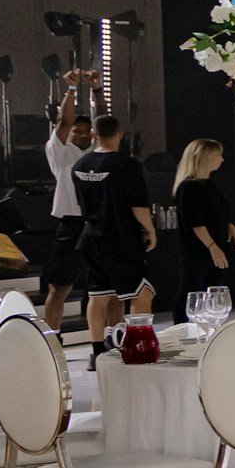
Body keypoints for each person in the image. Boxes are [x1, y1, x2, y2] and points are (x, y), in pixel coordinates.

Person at [72, 116, 154, 357]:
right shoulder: (125, 164)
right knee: (141, 292)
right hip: (120, 237)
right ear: (119, 134)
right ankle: (137, 345)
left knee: (98, 295)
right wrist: (150, 229)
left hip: (91, 236)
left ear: (94, 134)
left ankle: (97, 352)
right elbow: (138, 206)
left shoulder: (78, 166)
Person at [40, 69, 96, 337]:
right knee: (59, 287)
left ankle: (102, 339)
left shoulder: (96, 153)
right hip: (71, 224)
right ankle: (53, 338)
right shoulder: (61, 151)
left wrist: (97, 90)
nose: (83, 134)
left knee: (102, 287)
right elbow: (63, 121)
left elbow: (105, 123)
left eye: (88, 130)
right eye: (78, 130)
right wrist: (72, 90)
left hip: (96, 223)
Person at [171, 138, 235, 322]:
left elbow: (215, 213)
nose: (222, 160)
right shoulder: (189, 187)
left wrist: (228, 226)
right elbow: (195, 222)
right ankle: (182, 327)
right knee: (191, 289)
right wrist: (212, 246)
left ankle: (205, 326)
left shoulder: (209, 185)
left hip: (215, 245)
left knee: (211, 288)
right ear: (204, 157)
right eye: (218, 155)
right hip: (198, 249)